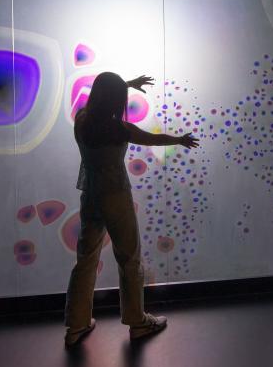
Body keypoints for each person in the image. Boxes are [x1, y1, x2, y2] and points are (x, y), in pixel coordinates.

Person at [64, 72, 199, 347]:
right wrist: (180, 139)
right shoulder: (119, 129)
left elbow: (100, 96)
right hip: (116, 197)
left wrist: (125, 85)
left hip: (90, 195)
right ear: (116, 99)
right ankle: (137, 322)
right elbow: (153, 139)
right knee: (129, 258)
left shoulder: (81, 120)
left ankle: (76, 326)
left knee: (85, 259)